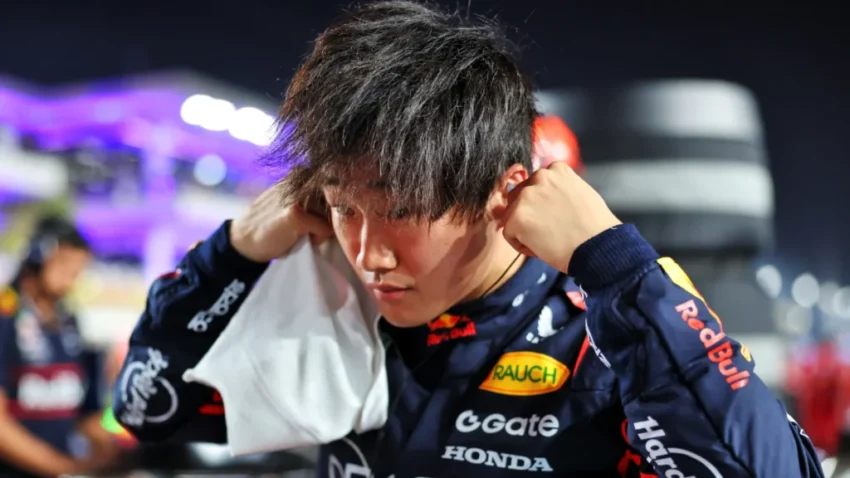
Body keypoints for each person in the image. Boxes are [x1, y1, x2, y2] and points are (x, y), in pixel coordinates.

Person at [112, 2, 824, 476]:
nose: (368, 254)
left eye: (401, 209)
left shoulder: (605, 334)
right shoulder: (336, 303)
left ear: (502, 190)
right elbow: (148, 407)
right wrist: (234, 251)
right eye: (343, 208)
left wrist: (617, 268)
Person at [0, 217, 117, 477]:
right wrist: (65, 468)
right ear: (37, 256)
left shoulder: (70, 323)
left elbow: (84, 415)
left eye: (78, 269)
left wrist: (118, 454)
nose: (72, 277)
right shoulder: (5, 318)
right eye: (64, 263)